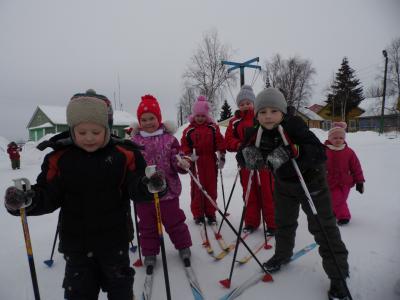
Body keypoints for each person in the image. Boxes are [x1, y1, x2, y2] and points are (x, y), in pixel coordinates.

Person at [4, 89, 161, 300]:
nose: (89, 138)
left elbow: (136, 186)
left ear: (106, 129)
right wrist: (27, 201)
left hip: (115, 243)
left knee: (121, 291)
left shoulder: (124, 155)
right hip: (77, 247)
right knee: (79, 293)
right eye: (82, 132)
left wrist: (149, 186)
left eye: (95, 132)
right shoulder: (60, 158)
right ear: (72, 130)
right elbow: (47, 194)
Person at [238, 87, 350, 300]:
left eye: (273, 110)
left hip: (311, 182)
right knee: (283, 223)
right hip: (283, 184)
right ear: (256, 115)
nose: (268, 116)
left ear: (282, 111)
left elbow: (319, 152)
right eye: (262, 112)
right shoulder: (255, 132)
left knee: (323, 227)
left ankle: (338, 275)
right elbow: (242, 157)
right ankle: (282, 254)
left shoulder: (294, 125)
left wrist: (295, 151)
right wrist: (247, 157)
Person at [130, 94, 192, 268]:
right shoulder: (134, 142)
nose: (148, 122)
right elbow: (131, 165)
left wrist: (181, 162)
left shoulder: (169, 139)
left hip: (168, 192)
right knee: (147, 225)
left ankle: (183, 246)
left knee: (174, 221)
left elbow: (176, 157)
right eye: (144, 119)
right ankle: (149, 252)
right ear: (139, 121)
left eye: (152, 118)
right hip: (144, 193)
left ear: (159, 118)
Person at [225, 84, 276, 234]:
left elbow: (271, 134)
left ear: (254, 103)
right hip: (245, 161)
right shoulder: (234, 122)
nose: (245, 106)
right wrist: (239, 144)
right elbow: (228, 140)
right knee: (249, 192)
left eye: (248, 103)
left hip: (263, 161)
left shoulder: (260, 117)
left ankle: (273, 223)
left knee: (268, 192)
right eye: (242, 104)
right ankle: (251, 222)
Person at [180, 95, 226, 225]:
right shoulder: (189, 130)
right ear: (194, 115)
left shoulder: (213, 127)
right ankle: (198, 214)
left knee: (211, 188)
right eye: (198, 115)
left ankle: (211, 213)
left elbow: (219, 141)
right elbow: (184, 145)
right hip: (196, 162)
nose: (200, 118)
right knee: (197, 188)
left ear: (207, 116)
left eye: (203, 116)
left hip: (210, 161)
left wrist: (221, 154)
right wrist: (188, 156)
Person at [325, 122, 365, 225]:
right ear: (329, 138)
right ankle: (344, 216)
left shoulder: (349, 152)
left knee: (340, 200)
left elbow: (356, 167)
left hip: (345, 182)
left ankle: (335, 212)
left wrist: (359, 181)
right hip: (330, 181)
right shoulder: (324, 151)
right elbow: (317, 166)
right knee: (335, 199)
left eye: (341, 138)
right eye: (335, 138)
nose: (338, 140)